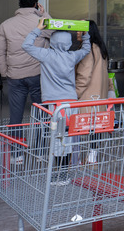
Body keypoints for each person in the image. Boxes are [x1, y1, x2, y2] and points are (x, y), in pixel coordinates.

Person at [22, 19, 90, 185]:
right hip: (70, 104)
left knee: (57, 140)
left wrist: (38, 28)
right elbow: (86, 48)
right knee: (65, 139)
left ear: (52, 41)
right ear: (68, 43)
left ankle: (61, 175)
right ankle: (63, 173)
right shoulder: (72, 56)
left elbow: (26, 45)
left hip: (54, 105)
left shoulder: (46, 55)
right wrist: (84, 32)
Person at [0, 0, 51, 129]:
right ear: (36, 4)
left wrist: (5, 73)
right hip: (37, 74)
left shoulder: (5, 25)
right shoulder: (41, 22)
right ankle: (39, 148)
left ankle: (16, 149)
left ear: (19, 5)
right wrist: (43, 14)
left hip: (15, 75)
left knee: (15, 117)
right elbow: (53, 31)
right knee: (41, 115)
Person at [75, 21, 113, 165]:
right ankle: (92, 156)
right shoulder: (100, 47)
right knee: (95, 128)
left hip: (88, 94)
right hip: (99, 94)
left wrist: (75, 93)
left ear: (87, 32)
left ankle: (80, 158)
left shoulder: (88, 49)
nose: (77, 33)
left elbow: (84, 75)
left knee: (79, 127)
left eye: (80, 30)